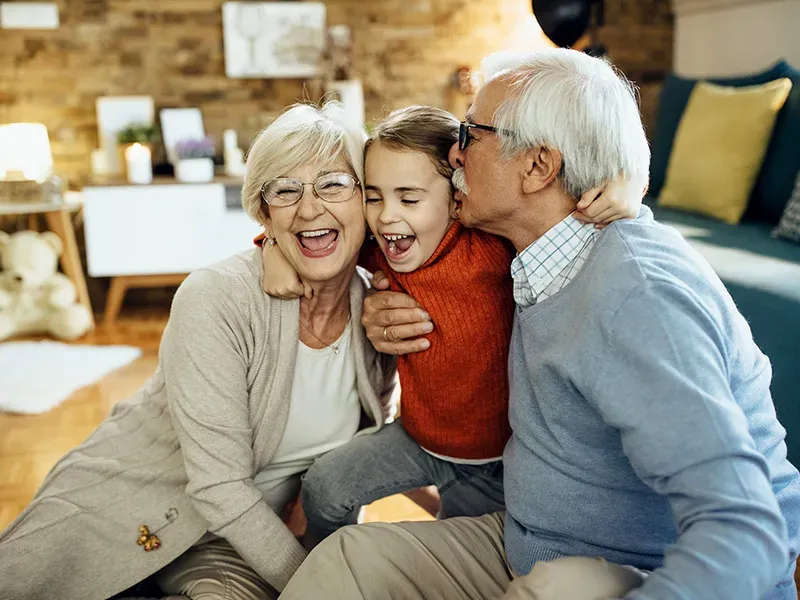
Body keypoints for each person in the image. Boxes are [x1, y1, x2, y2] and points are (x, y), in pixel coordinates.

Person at [280, 49, 800, 600]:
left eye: (470, 133)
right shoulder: (529, 250)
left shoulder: (637, 298)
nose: (453, 154)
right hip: (524, 543)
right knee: (345, 563)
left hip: (618, 571)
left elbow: (747, 532)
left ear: (537, 166)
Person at [0, 102, 397, 600]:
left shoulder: (377, 308)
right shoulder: (217, 297)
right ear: (265, 214)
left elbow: (368, 446)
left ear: (366, 198)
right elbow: (220, 487)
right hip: (126, 517)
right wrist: (318, 588)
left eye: (333, 184)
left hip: (240, 544)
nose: (310, 207)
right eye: (285, 190)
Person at [258, 105, 643, 546]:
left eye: (409, 197)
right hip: (418, 437)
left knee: (465, 547)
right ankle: (323, 567)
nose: (385, 217)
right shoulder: (382, 247)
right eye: (374, 196)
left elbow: (568, 214)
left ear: (458, 200)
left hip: (499, 458)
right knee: (324, 488)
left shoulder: (493, 248)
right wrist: (272, 247)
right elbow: (321, 237)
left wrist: (629, 183)